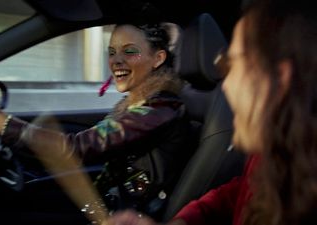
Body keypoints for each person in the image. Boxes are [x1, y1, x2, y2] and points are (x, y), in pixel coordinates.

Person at [0, 22, 194, 215]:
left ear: (158, 58)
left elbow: (76, 148)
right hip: (106, 202)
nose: (116, 60)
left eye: (129, 52)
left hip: (126, 215)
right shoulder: (136, 104)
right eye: (112, 52)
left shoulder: (161, 108)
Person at [104, 0, 317, 225]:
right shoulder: (268, 155)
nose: (226, 85)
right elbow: (238, 194)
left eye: (232, 66)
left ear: (278, 81)